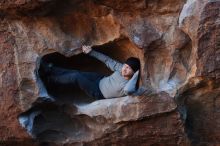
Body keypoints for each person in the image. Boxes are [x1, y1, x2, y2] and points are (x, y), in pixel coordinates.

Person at [41, 45, 155, 100]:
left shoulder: (130, 86)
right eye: (125, 66)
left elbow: (128, 91)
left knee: (76, 77)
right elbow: (107, 60)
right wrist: (91, 52)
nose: (124, 69)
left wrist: (136, 75)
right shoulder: (121, 68)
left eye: (128, 68)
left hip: (98, 92)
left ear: (134, 72)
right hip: (100, 79)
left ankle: (50, 80)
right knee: (77, 72)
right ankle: (50, 69)